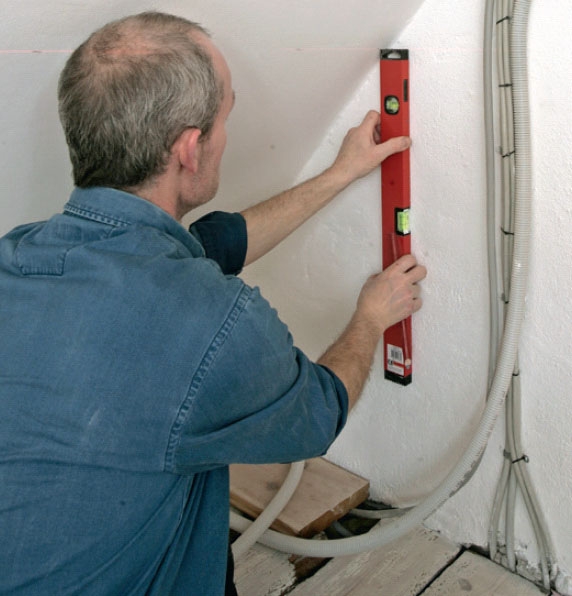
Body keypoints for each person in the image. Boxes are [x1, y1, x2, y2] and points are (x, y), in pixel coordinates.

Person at [0, 11, 426, 596]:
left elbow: (206, 247)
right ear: (190, 149)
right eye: (227, 115)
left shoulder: (18, 257)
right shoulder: (216, 324)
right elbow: (319, 412)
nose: (229, 132)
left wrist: (339, 174)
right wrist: (370, 319)